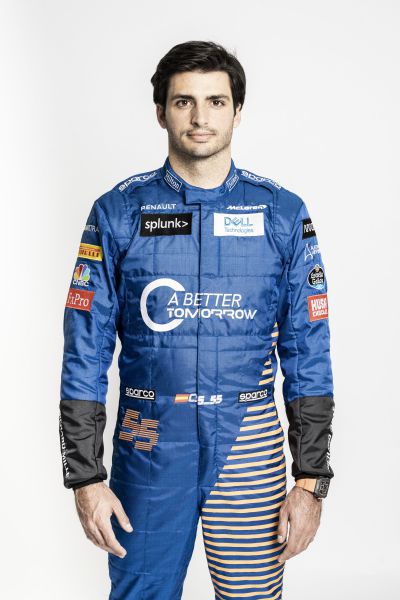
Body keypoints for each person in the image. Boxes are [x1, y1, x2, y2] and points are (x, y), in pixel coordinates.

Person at [59, 40, 335, 600]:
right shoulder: (118, 212)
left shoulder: (282, 213)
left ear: (237, 111)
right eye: (184, 101)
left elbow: (309, 351)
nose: (200, 117)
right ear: (161, 112)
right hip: (149, 440)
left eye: (216, 101)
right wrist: (84, 476)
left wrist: (310, 482)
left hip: (248, 444)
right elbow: (85, 350)